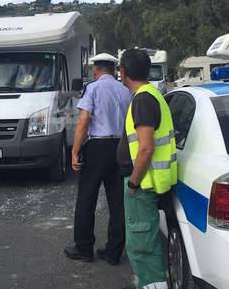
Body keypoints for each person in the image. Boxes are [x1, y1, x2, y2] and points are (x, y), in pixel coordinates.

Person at [117, 48, 177, 289]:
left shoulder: (142, 99)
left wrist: (133, 181)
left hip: (143, 184)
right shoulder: (152, 94)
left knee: (142, 245)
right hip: (149, 182)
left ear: (123, 72)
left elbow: (145, 149)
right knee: (146, 243)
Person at [64, 53, 132, 265]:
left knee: (87, 198)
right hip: (120, 147)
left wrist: (75, 151)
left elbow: (84, 121)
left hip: (97, 147)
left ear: (96, 70)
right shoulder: (126, 90)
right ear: (114, 70)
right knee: (117, 202)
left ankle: (84, 248)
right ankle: (113, 251)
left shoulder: (92, 88)